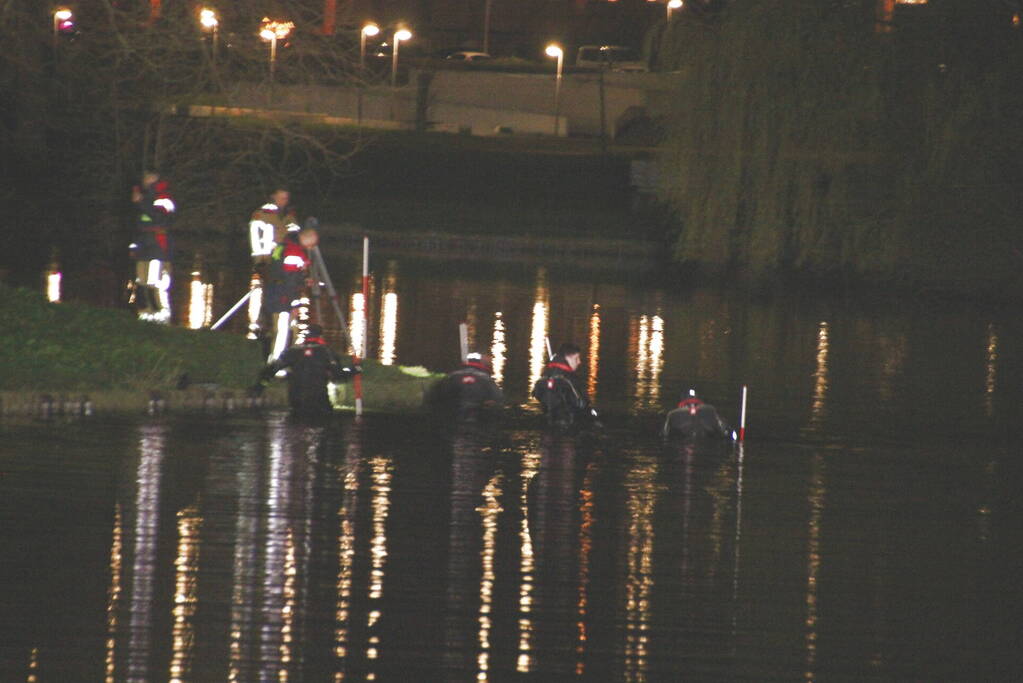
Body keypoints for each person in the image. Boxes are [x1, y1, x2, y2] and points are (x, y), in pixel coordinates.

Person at [255, 324, 359, 415]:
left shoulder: (292, 351)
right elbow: (338, 376)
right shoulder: (327, 352)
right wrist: (354, 370)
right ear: (320, 335)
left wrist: (260, 386)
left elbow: (271, 370)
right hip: (319, 401)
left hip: (296, 400)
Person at [262, 226, 316, 361]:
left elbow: (284, 272)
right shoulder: (294, 252)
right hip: (283, 295)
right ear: (306, 239)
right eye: (312, 244)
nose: (311, 248)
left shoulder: (283, 245)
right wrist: (295, 304)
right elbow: (290, 279)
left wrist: (303, 280)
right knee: (282, 330)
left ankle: (288, 359)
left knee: (286, 328)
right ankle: (276, 363)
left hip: (275, 290)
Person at [129, 171, 175, 323]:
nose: (146, 180)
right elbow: (139, 224)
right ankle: (145, 313)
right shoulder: (144, 195)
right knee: (141, 281)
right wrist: (134, 246)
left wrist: (141, 201)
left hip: (159, 246)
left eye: (149, 177)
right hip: (143, 246)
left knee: (156, 281)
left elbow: (160, 217)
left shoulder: (164, 196)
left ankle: (162, 314)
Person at [531, 342, 600, 429]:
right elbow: (581, 403)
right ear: (568, 358)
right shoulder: (569, 379)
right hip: (569, 426)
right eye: (576, 358)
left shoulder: (545, 377)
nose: (579, 362)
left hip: (547, 424)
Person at [429, 352, 504, 419]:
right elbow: (498, 399)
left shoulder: (452, 376)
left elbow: (436, 396)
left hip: (454, 416)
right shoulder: (486, 379)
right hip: (477, 417)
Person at [249, 187, 299, 266]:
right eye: (281, 198)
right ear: (273, 197)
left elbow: (295, 234)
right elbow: (255, 238)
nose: (283, 201)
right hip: (269, 258)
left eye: (286, 198)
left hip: (288, 256)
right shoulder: (262, 214)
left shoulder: (289, 216)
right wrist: (260, 261)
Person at [662, 389, 732, 440]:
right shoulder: (711, 409)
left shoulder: (672, 413)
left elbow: (665, 433)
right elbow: (724, 430)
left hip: (683, 442)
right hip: (706, 444)